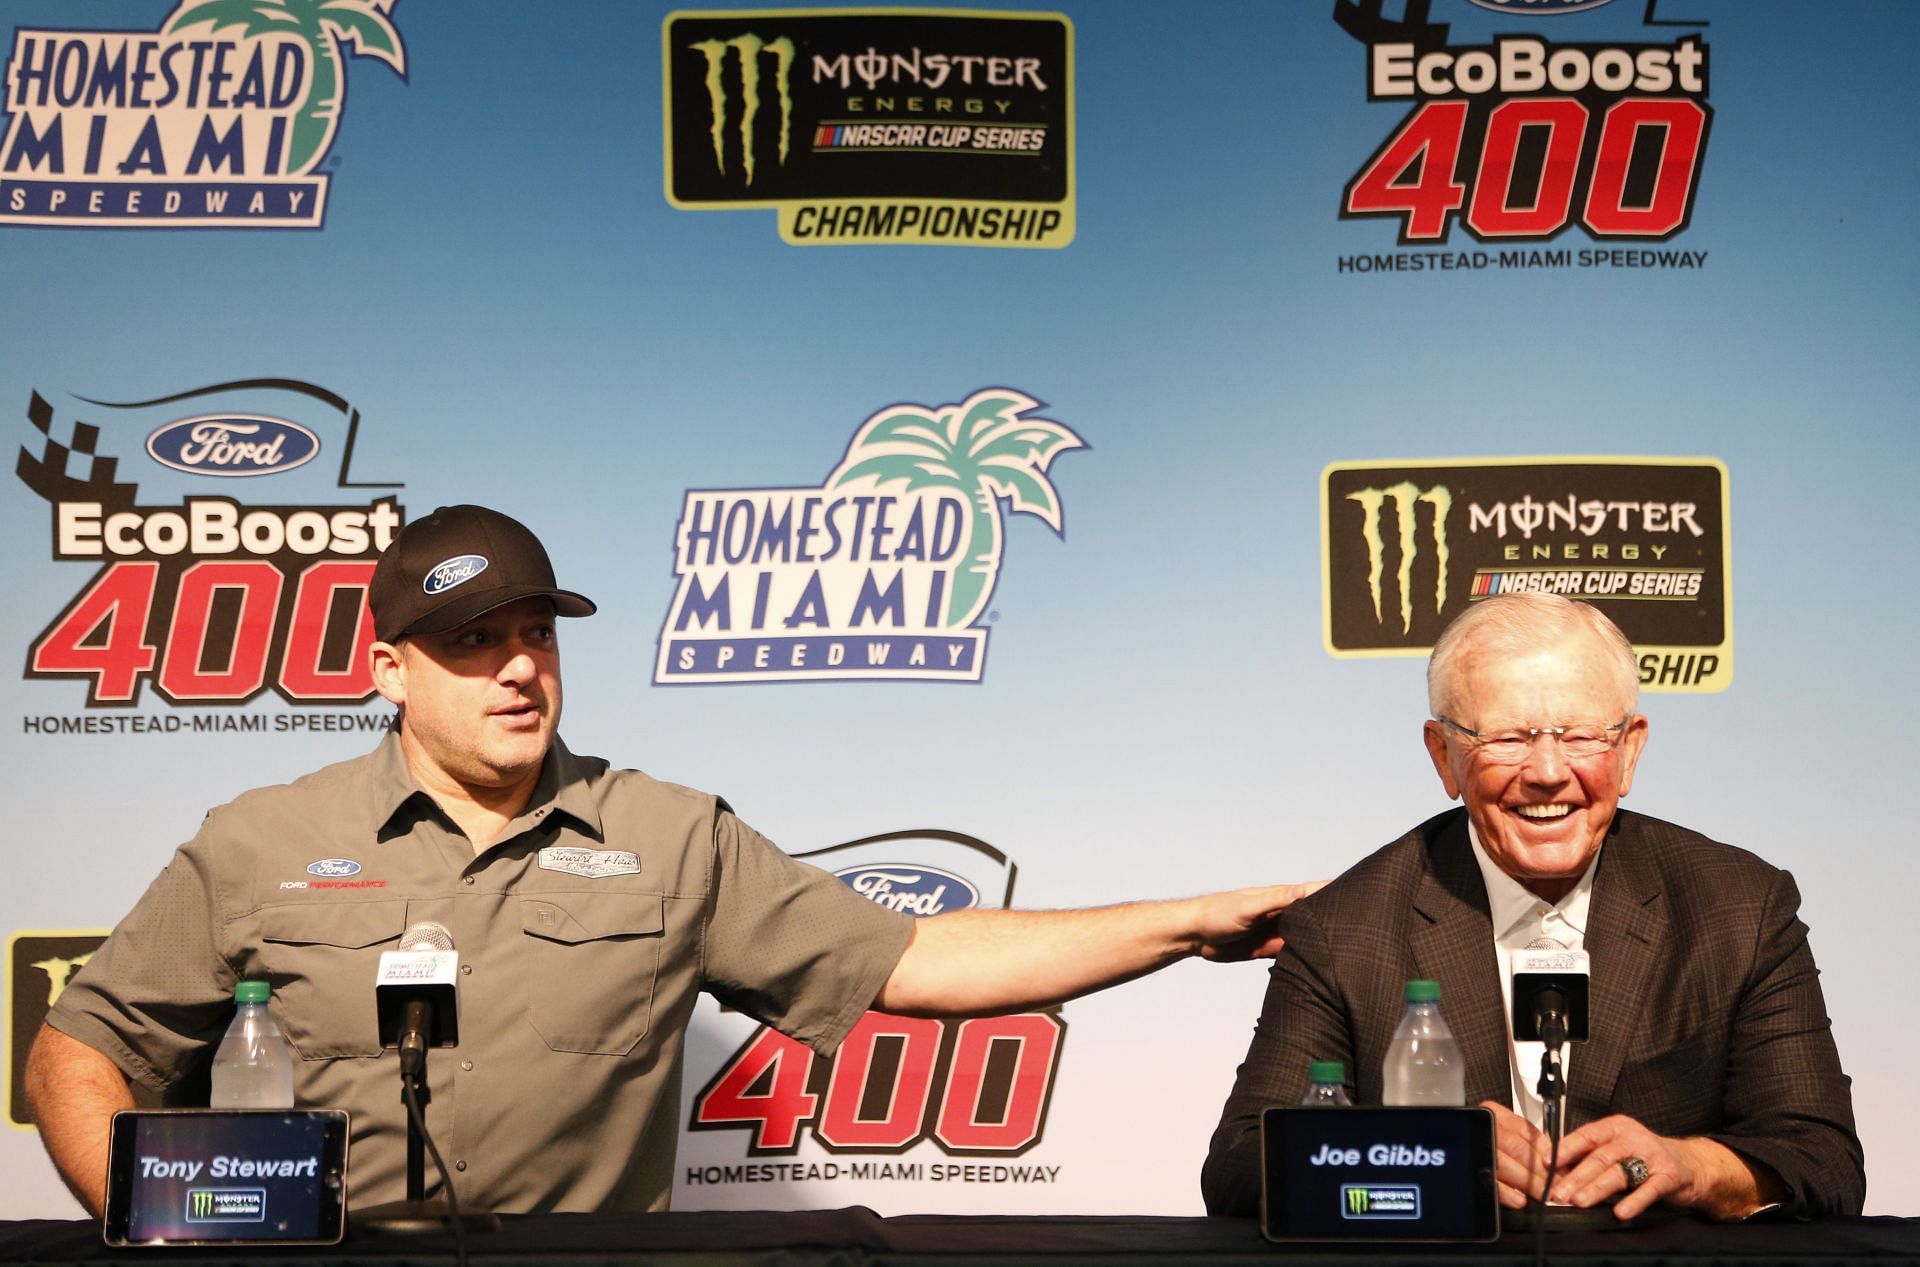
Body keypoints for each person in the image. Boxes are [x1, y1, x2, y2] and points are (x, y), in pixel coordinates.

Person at [27, 504, 1319, 1218]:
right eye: (474, 639)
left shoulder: (669, 831)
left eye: (535, 629)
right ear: (389, 669)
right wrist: (150, 1222)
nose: (521, 664)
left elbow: (915, 955)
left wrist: (1184, 920)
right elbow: (79, 1046)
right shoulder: (260, 837)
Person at [1201, 592, 1862, 1222]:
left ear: (1630, 750)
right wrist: (1432, 1151)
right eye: (1510, 737)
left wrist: (1689, 1163)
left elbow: (1823, 1158)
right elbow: (1239, 1164)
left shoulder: (1739, 907)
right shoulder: (1346, 926)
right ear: (1445, 757)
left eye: (1580, 736)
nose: (1547, 770)